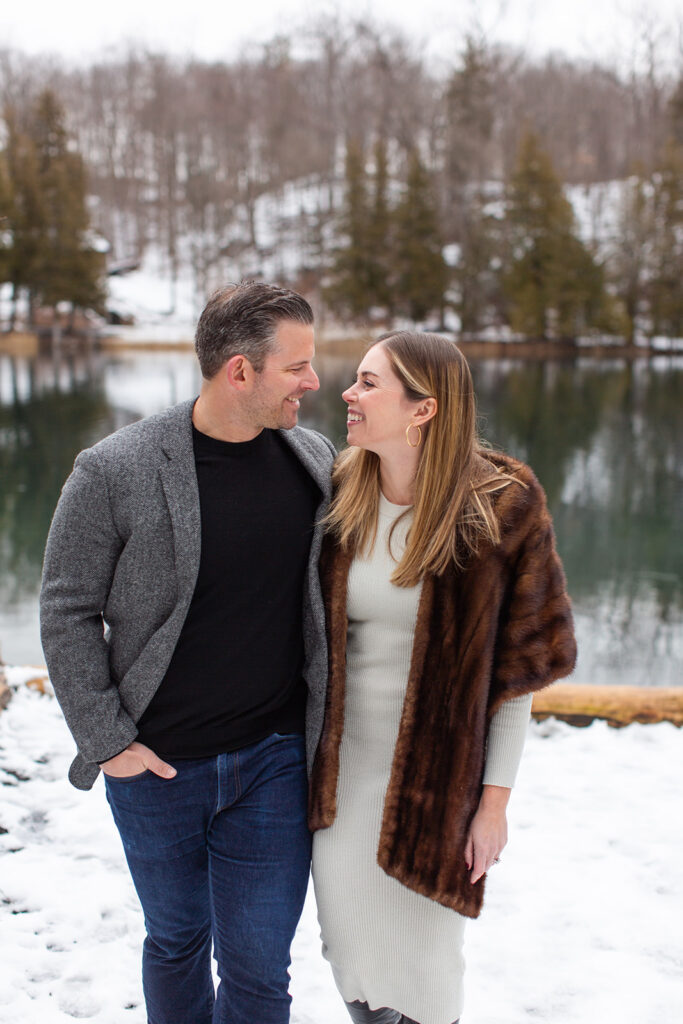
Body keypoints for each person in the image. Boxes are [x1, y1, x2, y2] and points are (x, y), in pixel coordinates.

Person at [40, 281, 336, 1024]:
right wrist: (110, 743)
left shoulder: (314, 458)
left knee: (260, 969)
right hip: (158, 766)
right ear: (240, 372)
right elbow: (66, 609)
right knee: (175, 942)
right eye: (297, 365)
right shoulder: (113, 470)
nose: (314, 380)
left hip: (273, 762)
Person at [309, 331, 577, 1024]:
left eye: (368, 382)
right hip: (336, 788)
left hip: (438, 788)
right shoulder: (341, 491)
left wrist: (492, 805)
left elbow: (512, 679)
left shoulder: (502, 505)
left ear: (422, 408)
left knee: (426, 979)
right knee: (355, 968)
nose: (348, 392)